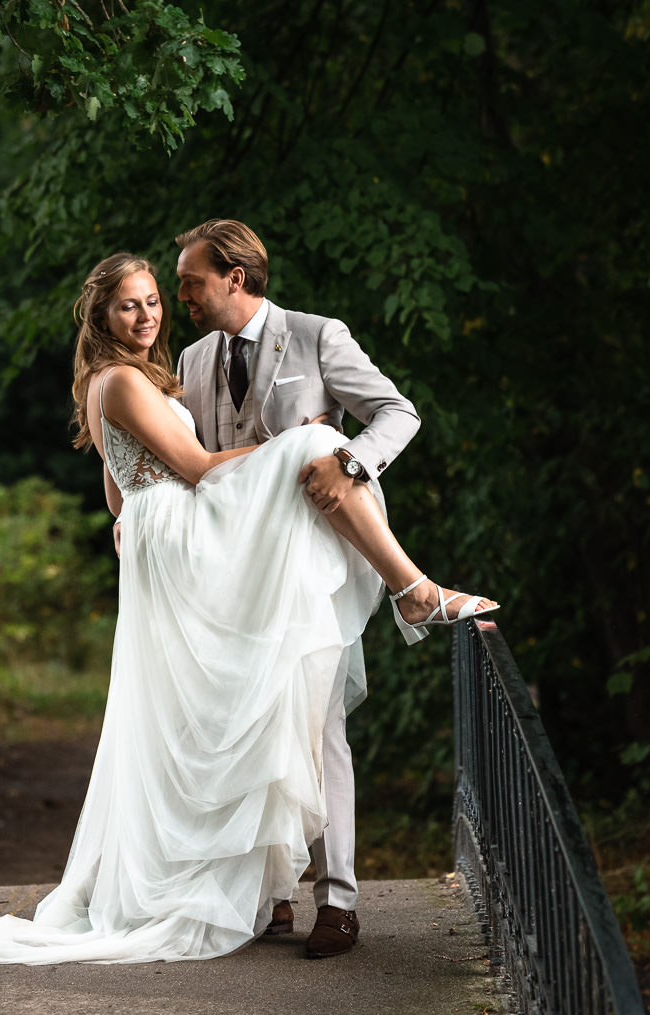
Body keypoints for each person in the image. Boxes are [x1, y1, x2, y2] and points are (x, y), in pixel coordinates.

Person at [0, 253, 495, 967]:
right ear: (101, 316)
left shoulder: (132, 376)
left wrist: (136, 509)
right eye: (131, 305)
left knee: (249, 699)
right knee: (319, 444)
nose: (151, 313)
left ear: (235, 278)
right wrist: (280, 447)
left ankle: (289, 887)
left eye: (156, 299)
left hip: (167, 531)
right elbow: (202, 467)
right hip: (188, 529)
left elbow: (119, 494)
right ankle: (413, 588)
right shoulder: (124, 378)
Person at [170, 218, 426, 957]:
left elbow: (398, 413)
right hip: (235, 573)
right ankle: (271, 893)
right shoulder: (190, 359)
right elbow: (195, 462)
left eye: (190, 279)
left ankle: (337, 899)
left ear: (234, 278)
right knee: (247, 723)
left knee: (318, 728)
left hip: (315, 569)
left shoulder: (316, 336)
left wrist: (349, 461)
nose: (180, 291)